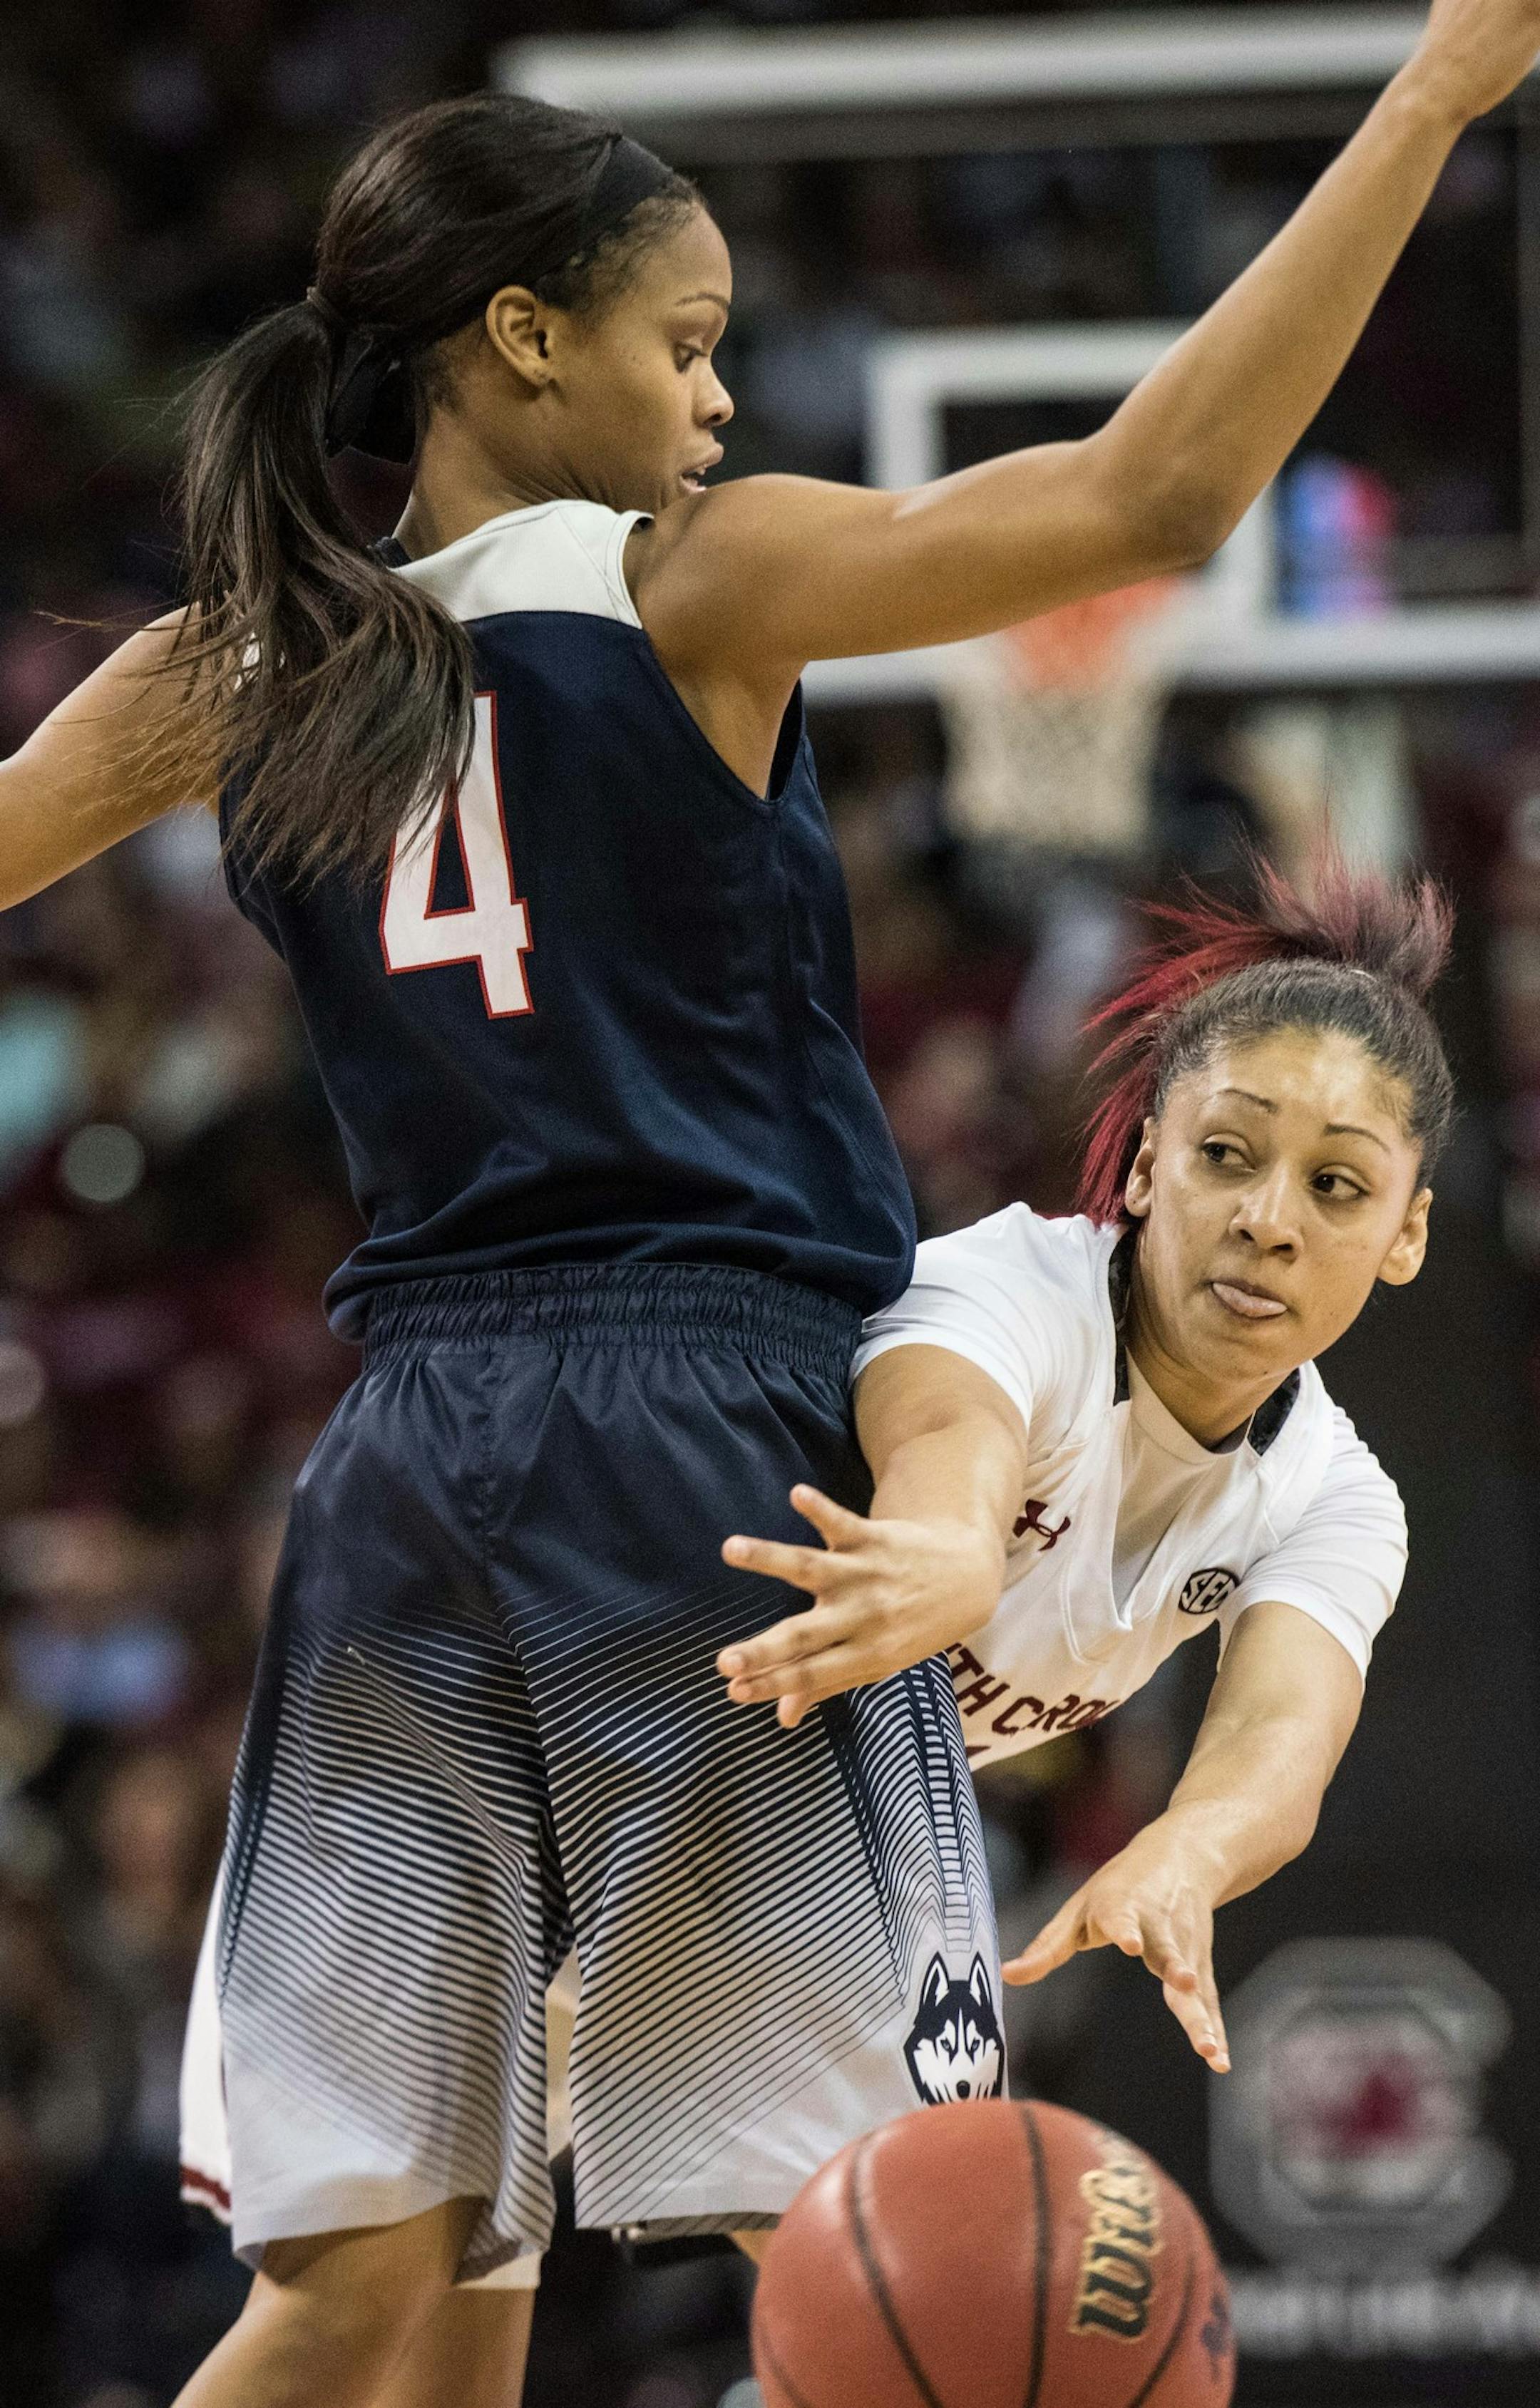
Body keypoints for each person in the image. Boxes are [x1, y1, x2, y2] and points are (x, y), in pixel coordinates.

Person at [0, 0, 1534, 2392]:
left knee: (379, 2284)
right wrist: (1433, 94)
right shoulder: (680, 580)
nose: (718, 403)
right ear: (524, 340)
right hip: (702, 1431)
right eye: (685, 343)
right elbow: (1151, 499)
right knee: (900, 2245)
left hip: (406, 1459)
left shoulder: (233, 660)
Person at [719, 862, 1447, 2077]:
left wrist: (1187, 1852)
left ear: (1406, 1232)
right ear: (1150, 1163)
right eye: (1228, 1154)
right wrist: (950, 1543)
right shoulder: (1017, 1293)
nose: (1271, 1219)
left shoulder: (1338, 1495)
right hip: (606, 1718)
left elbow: (1282, 1728)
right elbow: (951, 1440)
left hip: (789, 1831)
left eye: (1336, 1185)